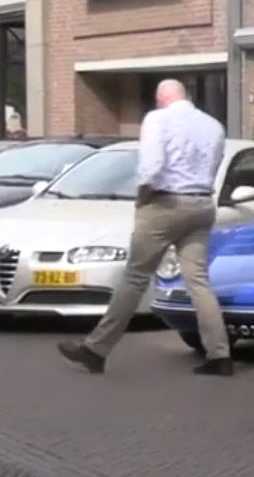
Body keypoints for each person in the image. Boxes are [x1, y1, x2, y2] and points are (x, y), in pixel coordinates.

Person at [58, 80, 231, 377]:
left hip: (165, 203)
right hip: (201, 202)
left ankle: (96, 348)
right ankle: (220, 355)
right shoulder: (213, 125)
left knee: (135, 277)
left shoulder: (157, 119)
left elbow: (152, 166)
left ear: (161, 98)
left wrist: (143, 199)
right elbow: (214, 165)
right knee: (198, 281)